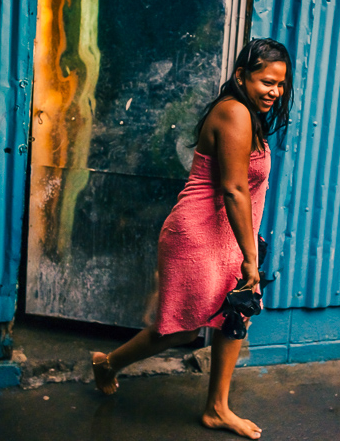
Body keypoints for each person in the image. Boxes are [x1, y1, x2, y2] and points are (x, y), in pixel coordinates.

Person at [91, 38, 293, 439]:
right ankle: (108, 363)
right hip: (199, 234)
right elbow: (234, 189)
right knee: (180, 329)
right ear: (241, 77)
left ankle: (217, 408)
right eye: (266, 81)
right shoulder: (234, 113)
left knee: (236, 314)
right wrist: (251, 259)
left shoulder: (250, 116)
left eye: (281, 84)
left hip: (231, 235)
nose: (274, 91)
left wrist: (248, 248)